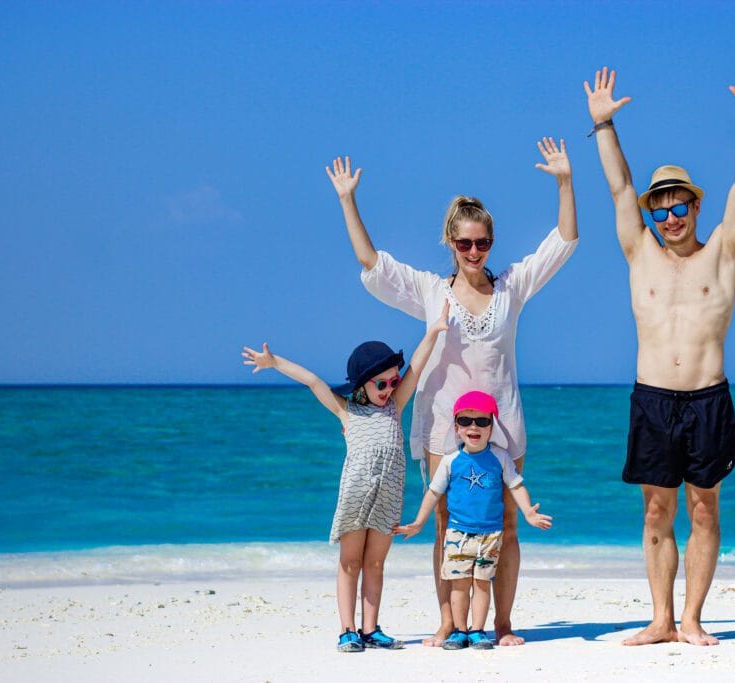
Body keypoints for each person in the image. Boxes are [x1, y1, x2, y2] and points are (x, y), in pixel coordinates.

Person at [325, 137, 577, 646]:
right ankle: (450, 620)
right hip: (444, 421)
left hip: (502, 419)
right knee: (446, 522)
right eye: (464, 244)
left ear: (491, 243)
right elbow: (371, 264)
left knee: (505, 522)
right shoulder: (429, 290)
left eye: (482, 242)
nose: (474, 252)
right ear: (449, 242)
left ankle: (500, 623)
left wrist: (565, 181)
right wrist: (347, 199)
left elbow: (564, 242)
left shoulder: (512, 287)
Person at [583, 61, 735, 646]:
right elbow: (619, 187)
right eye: (660, 209)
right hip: (652, 399)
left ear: (695, 207)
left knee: (704, 510)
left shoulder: (722, 253)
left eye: (678, 207)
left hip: (708, 398)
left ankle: (692, 619)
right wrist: (603, 127)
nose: (669, 217)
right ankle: (661, 619)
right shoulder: (639, 251)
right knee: (654, 514)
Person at [240, 301, 449, 652]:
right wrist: (274, 363)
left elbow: (416, 365)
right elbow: (313, 381)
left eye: (392, 382)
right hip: (356, 496)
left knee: (376, 562)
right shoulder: (347, 410)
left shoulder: (396, 406)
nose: (388, 389)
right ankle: (347, 630)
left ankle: (371, 629)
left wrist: (433, 331)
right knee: (350, 562)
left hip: (388, 495)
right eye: (380, 384)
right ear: (361, 386)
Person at [393, 391, 552, 650]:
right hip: (457, 535)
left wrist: (529, 513)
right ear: (456, 427)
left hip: (490, 535)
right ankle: (459, 630)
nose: (473, 427)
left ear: (492, 425)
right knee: (459, 584)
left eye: (482, 421)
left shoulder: (499, 458)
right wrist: (418, 523)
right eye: (465, 421)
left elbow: (516, 485)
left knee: (481, 584)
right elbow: (433, 493)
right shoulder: (450, 461)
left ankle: (478, 631)